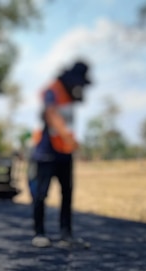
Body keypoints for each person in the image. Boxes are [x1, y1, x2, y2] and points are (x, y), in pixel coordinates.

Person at [29, 61, 92, 248]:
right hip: (46, 153)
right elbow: (51, 115)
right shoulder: (52, 90)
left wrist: (70, 143)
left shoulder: (71, 96)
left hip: (65, 154)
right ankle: (39, 233)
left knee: (67, 193)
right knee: (41, 194)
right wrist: (68, 137)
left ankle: (66, 235)